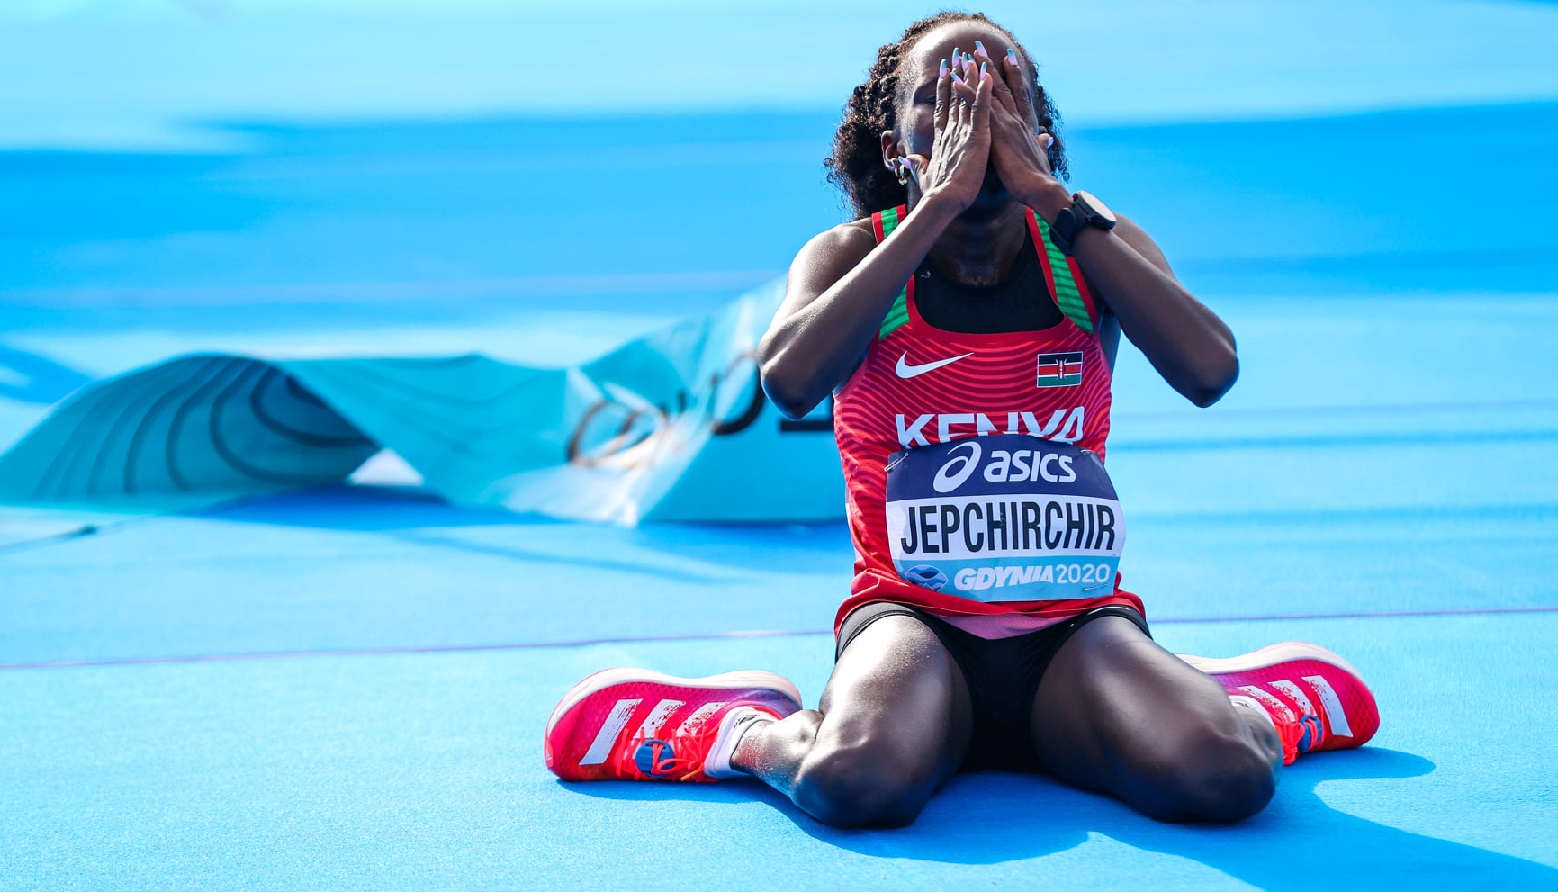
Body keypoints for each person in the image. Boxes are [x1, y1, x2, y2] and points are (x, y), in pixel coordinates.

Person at [543, 12, 1379, 827]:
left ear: (1040, 130)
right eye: (942, 98)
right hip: (912, 625)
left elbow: (1211, 371)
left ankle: (1247, 708)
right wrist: (934, 206)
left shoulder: (1089, 240)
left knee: (1225, 776)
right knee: (853, 783)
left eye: (1000, 90)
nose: (972, 115)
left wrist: (1052, 199)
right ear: (893, 144)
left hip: (1074, 628)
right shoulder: (849, 255)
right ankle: (742, 730)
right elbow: (791, 382)